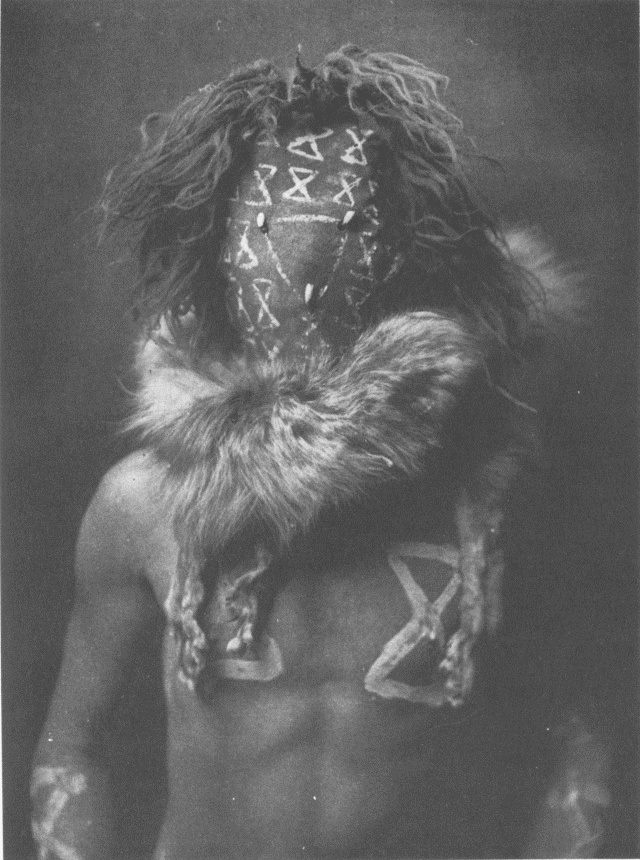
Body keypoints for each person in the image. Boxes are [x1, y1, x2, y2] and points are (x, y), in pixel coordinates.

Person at [31, 46, 608, 859]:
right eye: (267, 234)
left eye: (352, 230)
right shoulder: (141, 504)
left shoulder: (495, 506)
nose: (303, 276)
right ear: (219, 260)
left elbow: (584, 746)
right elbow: (70, 751)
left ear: (407, 259)